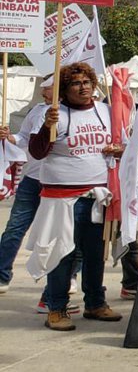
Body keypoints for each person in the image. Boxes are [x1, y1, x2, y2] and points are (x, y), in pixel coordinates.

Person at [29, 63, 124, 331]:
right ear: (65, 90)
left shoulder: (105, 111)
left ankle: (95, 303)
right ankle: (56, 308)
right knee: (62, 255)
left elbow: (121, 146)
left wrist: (117, 149)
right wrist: (47, 126)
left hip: (96, 196)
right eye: (76, 83)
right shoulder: (54, 114)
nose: (83, 87)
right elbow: (37, 152)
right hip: (62, 199)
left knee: (95, 254)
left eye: (87, 82)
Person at [0, 78, 52, 296]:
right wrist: (9, 137)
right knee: (15, 228)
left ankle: (67, 278)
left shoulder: (71, 111)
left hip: (58, 181)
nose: (42, 88)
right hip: (32, 179)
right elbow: (22, 137)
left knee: (61, 234)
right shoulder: (37, 110)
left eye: (47, 85)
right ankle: (2, 275)